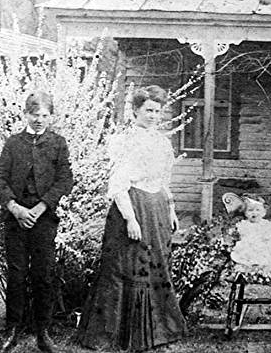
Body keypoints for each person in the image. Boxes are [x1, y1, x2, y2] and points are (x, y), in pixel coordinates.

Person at [76, 85, 186, 351]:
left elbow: (163, 180)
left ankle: (158, 331)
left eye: (157, 111)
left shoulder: (162, 141)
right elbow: (118, 183)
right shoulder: (123, 140)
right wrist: (130, 219)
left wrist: (170, 208)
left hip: (156, 207)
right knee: (126, 267)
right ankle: (120, 333)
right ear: (135, 110)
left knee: (155, 264)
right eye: (148, 110)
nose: (153, 115)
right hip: (132, 205)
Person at [0, 91, 74, 353]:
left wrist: (41, 207)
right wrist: (15, 208)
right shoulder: (14, 143)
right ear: (26, 114)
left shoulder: (57, 143)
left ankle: (43, 331)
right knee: (16, 275)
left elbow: (65, 180)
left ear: (51, 116)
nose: (40, 120)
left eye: (45, 115)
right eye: (35, 114)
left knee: (43, 275)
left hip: (43, 219)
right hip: (16, 220)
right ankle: (13, 329)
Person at [230, 196, 271, 270]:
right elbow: (244, 237)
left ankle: (267, 266)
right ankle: (255, 266)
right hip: (250, 247)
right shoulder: (244, 224)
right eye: (250, 210)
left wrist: (268, 239)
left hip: (267, 247)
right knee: (246, 253)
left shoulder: (269, 224)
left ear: (264, 212)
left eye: (258, 210)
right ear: (245, 212)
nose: (254, 213)